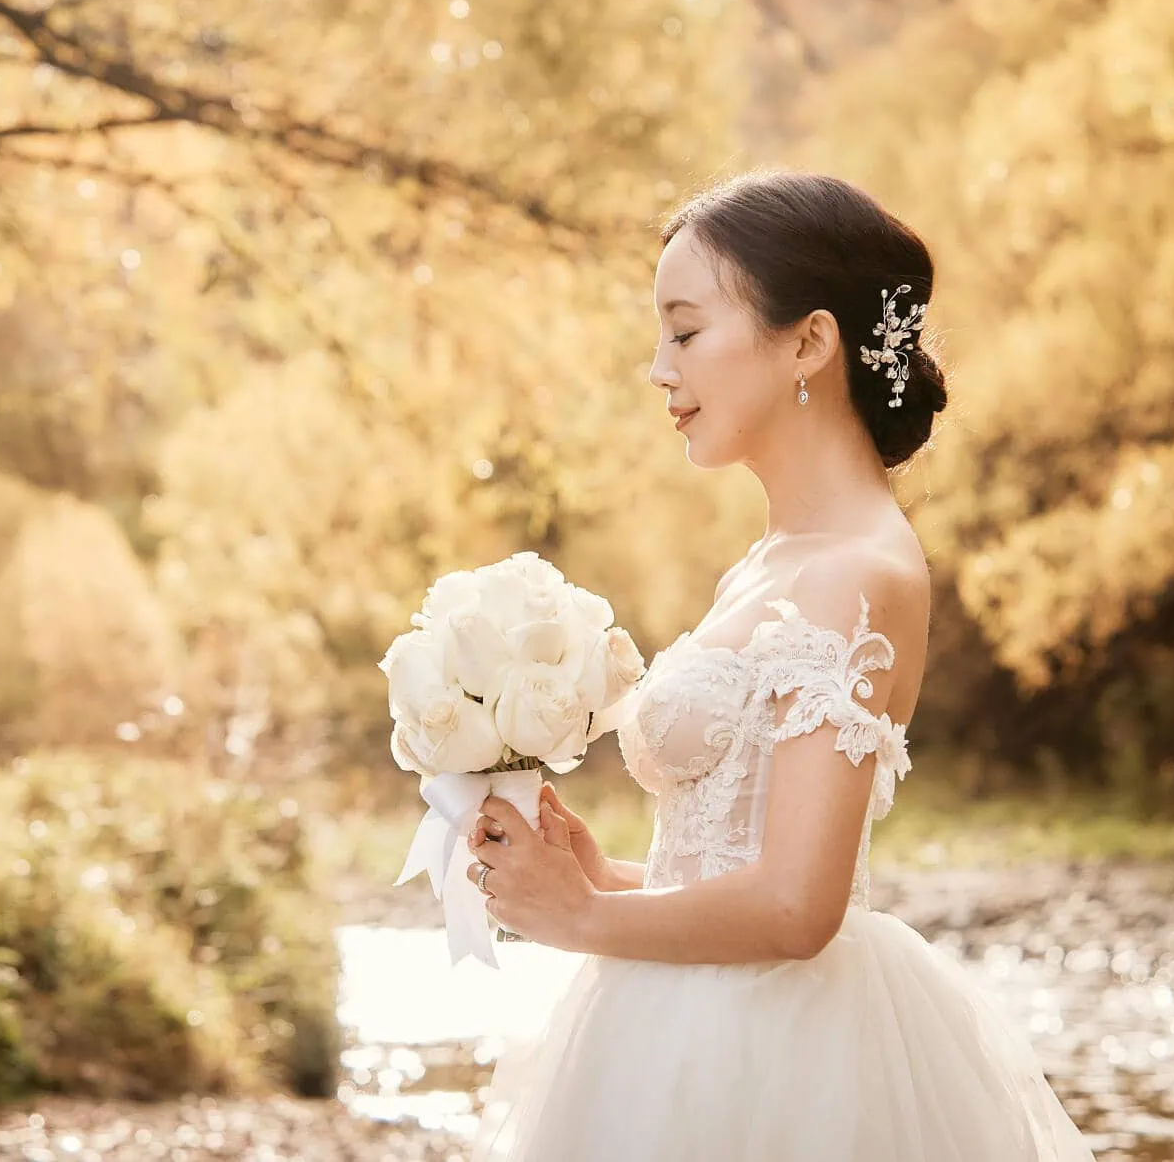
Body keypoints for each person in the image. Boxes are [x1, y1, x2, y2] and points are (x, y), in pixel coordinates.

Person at [460, 170, 1097, 1161]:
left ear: (806, 341)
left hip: (779, 1055)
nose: (657, 368)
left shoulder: (858, 568)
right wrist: (606, 876)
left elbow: (799, 905)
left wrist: (581, 914)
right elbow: (729, 867)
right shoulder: (771, 561)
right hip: (674, 1026)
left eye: (684, 330)